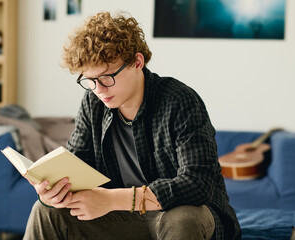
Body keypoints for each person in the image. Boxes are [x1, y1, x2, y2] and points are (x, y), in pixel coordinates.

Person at [23, 11, 241, 240]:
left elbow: (198, 184)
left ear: (137, 62)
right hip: (123, 219)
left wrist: (110, 200)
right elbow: (76, 166)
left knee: (182, 218)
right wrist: (52, 193)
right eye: (90, 80)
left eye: (107, 77)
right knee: (45, 212)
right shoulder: (92, 104)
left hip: (180, 216)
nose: (99, 89)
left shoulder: (179, 101)